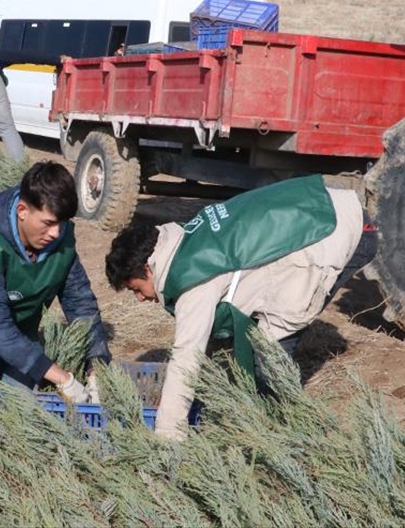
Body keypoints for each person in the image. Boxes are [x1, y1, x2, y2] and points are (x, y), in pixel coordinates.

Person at [104, 175, 378, 440]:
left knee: (269, 354)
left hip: (337, 229)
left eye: (136, 289)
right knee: (255, 339)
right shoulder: (178, 241)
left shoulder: (192, 280)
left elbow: (187, 356)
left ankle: (286, 430)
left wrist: (167, 433)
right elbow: (209, 327)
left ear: (147, 268)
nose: (140, 299)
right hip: (321, 203)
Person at [0, 161, 111, 410]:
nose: (56, 233)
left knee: (20, 408)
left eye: (62, 223)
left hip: (20, 338)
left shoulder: (60, 242)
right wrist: (62, 378)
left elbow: (81, 304)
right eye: (48, 223)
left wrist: (96, 364)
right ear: (22, 210)